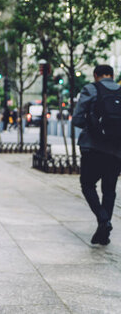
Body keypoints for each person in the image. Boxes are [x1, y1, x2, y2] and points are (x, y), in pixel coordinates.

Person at [72, 64, 121, 245]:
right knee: (109, 190)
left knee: (87, 184)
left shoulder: (91, 89)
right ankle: (104, 234)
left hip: (93, 147)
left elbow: (77, 119)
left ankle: (103, 220)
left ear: (95, 75)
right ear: (112, 75)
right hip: (116, 150)